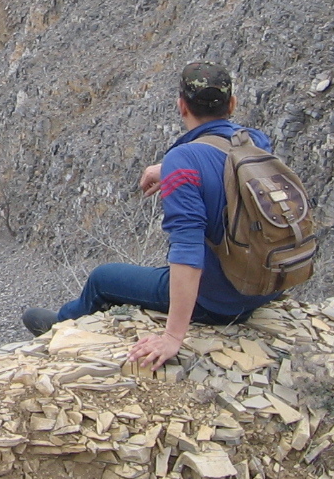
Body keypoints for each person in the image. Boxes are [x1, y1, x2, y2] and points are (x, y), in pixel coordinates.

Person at [21, 62, 284, 370]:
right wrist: (167, 170)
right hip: (266, 284)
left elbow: (188, 251)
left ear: (181, 106)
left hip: (221, 301)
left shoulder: (184, 161)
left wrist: (172, 337)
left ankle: (59, 326)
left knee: (102, 278)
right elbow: (221, 167)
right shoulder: (254, 141)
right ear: (233, 104)